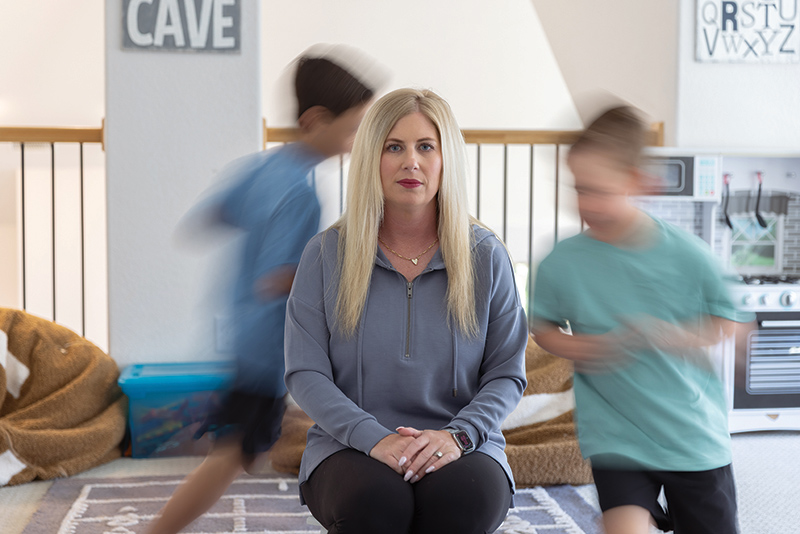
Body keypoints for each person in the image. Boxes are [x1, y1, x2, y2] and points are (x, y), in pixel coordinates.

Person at [147, 45, 382, 534]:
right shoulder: (301, 194)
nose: (358, 140)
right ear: (315, 121)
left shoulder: (263, 168)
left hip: (240, 333)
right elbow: (276, 277)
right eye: (353, 127)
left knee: (241, 447)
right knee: (233, 453)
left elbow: (213, 215)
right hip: (265, 347)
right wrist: (343, 271)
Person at [283, 88, 528, 534]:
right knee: (377, 504)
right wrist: (374, 438)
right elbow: (305, 373)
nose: (410, 161)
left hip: (463, 445)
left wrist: (457, 437)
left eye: (426, 147)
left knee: (463, 502)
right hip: (348, 445)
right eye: (393, 147)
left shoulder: (487, 256)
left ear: (446, 160)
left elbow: (507, 374)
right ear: (371, 159)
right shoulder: (324, 255)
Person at [531, 106, 751, 534]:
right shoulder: (562, 262)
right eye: (580, 188)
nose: (587, 203)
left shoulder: (689, 254)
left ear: (637, 182)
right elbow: (543, 330)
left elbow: (733, 323)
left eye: (600, 190)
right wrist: (589, 347)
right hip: (617, 438)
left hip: (692, 438)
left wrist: (675, 335)